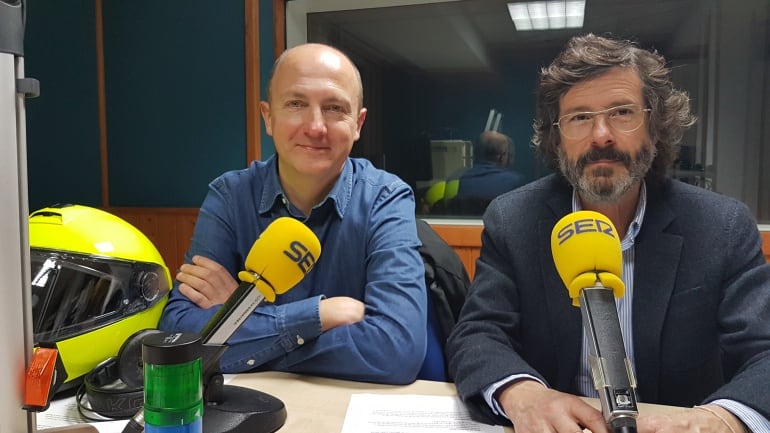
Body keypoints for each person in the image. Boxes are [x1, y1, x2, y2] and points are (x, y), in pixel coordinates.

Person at [446, 33, 770, 433]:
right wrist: (522, 393)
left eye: (621, 112)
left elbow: (766, 352)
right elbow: (478, 333)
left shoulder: (721, 227)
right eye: (579, 117)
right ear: (558, 138)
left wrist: (720, 420)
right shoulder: (515, 220)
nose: (601, 135)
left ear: (654, 128)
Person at [159, 43, 428, 385]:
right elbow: (180, 335)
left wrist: (241, 319)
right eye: (296, 104)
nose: (315, 126)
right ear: (268, 117)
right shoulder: (229, 196)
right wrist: (317, 316)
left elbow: (396, 351)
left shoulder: (385, 198)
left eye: (334, 108)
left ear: (358, 123)